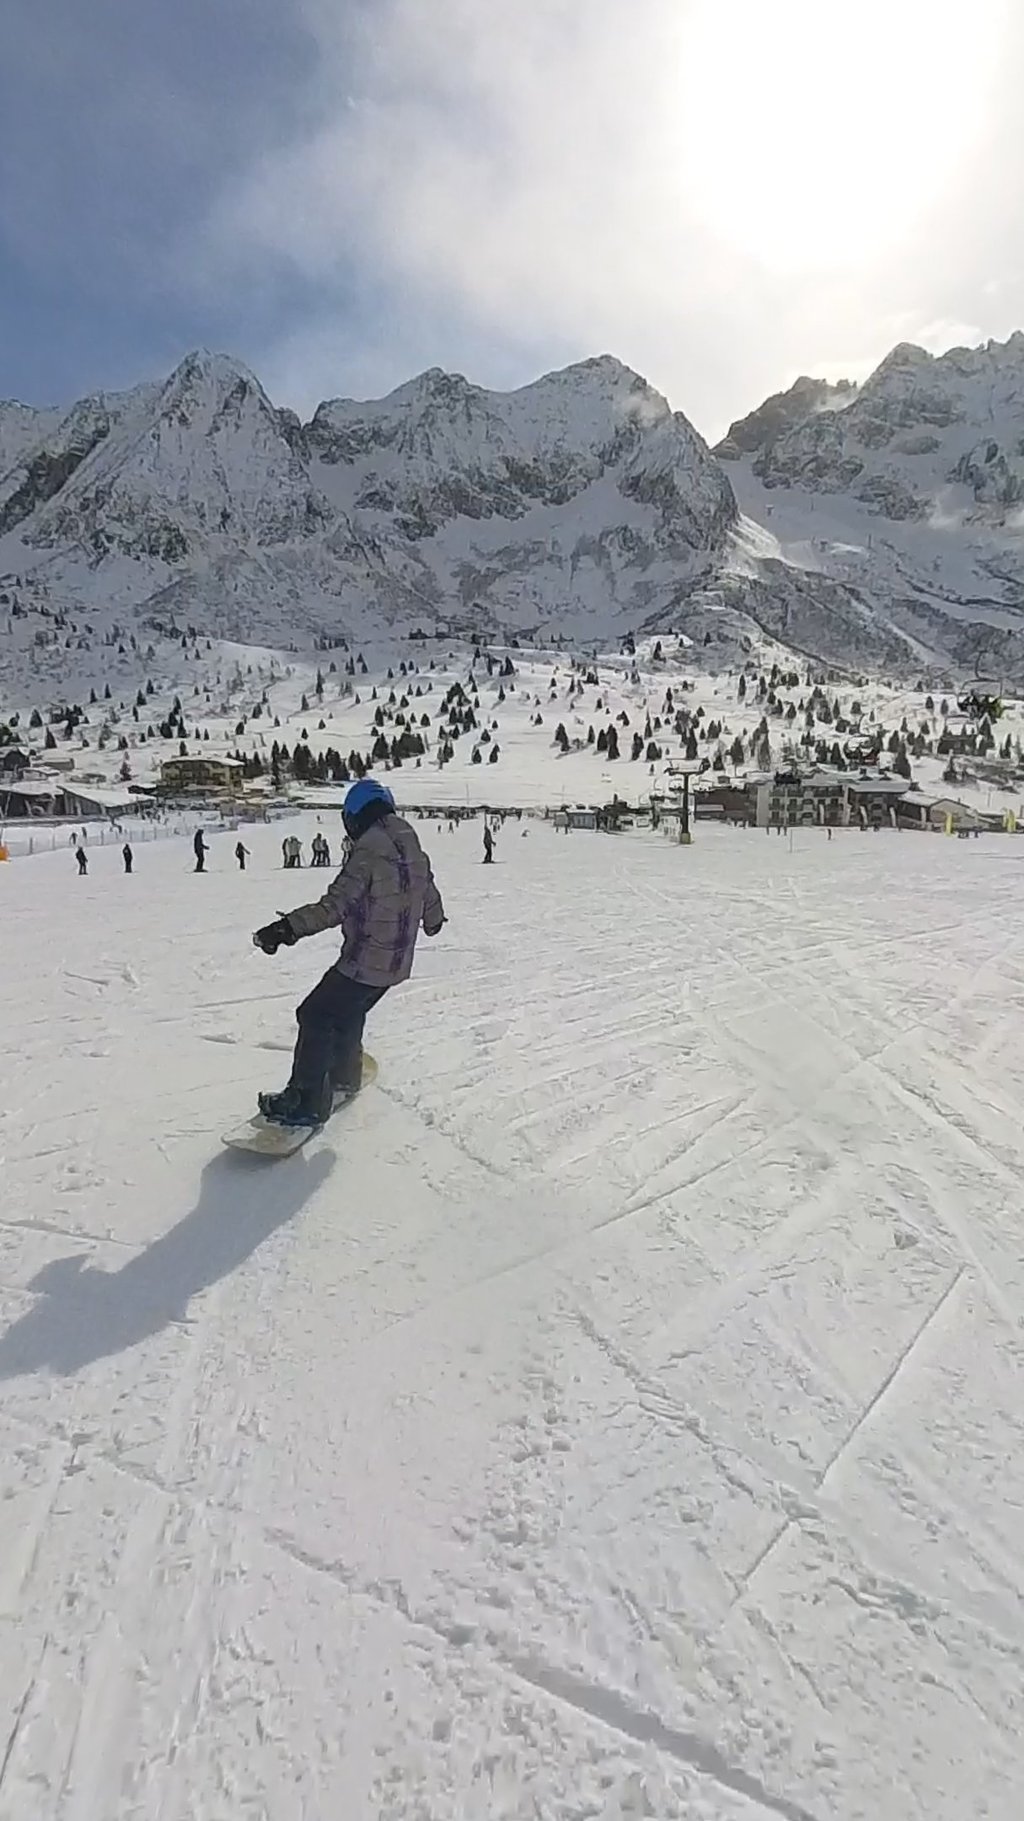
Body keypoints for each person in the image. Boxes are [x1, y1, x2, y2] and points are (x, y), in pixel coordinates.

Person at [253, 780, 445, 1127]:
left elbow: (335, 906)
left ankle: (305, 1101)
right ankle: (344, 1074)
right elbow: (427, 886)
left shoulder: (368, 851)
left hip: (366, 961)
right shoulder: (410, 841)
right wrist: (433, 920)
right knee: (347, 1009)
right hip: (397, 964)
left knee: (314, 1014)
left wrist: (287, 929)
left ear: (353, 818)